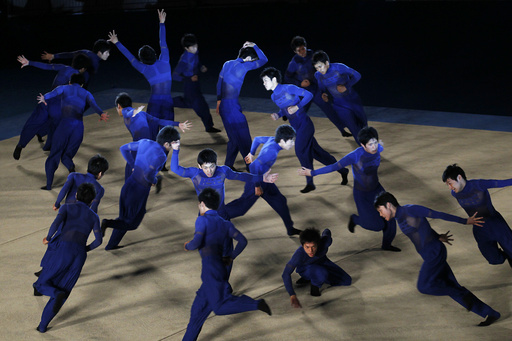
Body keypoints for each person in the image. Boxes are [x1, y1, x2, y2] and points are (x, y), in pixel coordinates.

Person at [374, 191, 501, 326]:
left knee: (423, 287)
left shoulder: (411, 209)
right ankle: (491, 313)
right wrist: (438, 236)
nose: (381, 215)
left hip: (433, 253)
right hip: (431, 252)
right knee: (451, 284)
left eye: (381, 211)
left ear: (388, 205)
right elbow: (422, 228)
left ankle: (465, 296)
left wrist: (465, 221)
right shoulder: (399, 218)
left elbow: (438, 214)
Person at [182, 188, 271, 341]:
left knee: (219, 307)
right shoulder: (225, 223)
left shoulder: (202, 220)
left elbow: (196, 242)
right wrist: (231, 257)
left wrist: (187, 245)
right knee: (198, 309)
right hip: (220, 267)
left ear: (202, 204)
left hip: (211, 269)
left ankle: (254, 304)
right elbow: (243, 241)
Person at [298, 127, 400, 251]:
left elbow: (380, 146)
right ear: (362, 145)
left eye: (375, 143)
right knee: (376, 225)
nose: (374, 147)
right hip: (362, 194)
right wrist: (312, 173)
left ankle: (386, 245)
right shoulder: (355, 155)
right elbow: (334, 166)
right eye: (370, 144)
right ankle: (355, 219)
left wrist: (379, 144)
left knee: (391, 217)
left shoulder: (378, 148)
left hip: (378, 190)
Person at [261, 66, 348, 193]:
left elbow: (309, 94)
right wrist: (278, 115)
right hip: (295, 127)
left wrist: (298, 106)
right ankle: (342, 170)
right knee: (319, 154)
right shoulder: (274, 97)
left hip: (305, 125)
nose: (264, 84)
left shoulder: (288, 88)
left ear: (274, 79)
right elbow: (284, 109)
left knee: (300, 151)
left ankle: (310, 182)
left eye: (265, 81)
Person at [33, 183, 102, 333]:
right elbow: (99, 241)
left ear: (76, 195)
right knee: (65, 289)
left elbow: (56, 223)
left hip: (64, 249)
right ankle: (42, 326)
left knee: (42, 283)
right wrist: (85, 249)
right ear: (92, 201)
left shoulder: (66, 207)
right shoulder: (94, 217)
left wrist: (48, 238)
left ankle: (54, 293)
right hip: (79, 256)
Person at [101, 126, 179, 250]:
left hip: (129, 184)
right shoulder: (161, 156)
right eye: (174, 143)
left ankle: (111, 245)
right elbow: (148, 175)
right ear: (166, 143)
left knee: (125, 219)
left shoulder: (145, 142)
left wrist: (132, 164)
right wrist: (154, 180)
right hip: (139, 192)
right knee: (131, 224)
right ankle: (107, 223)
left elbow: (123, 149)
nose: (175, 146)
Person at [225, 125, 302, 236]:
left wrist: (251, 153)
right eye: (291, 141)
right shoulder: (271, 152)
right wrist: (257, 186)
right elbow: (253, 167)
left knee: (280, 201)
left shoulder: (272, 139)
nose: (293, 144)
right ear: (282, 140)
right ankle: (216, 214)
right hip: (256, 181)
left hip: (265, 180)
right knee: (241, 208)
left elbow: (257, 139)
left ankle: (290, 228)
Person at [38, 73, 109, 190]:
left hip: (64, 126)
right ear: (81, 84)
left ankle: (49, 185)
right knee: (67, 155)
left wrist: (43, 98)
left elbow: (51, 94)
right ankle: (71, 169)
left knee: (54, 155)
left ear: (70, 82)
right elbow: (94, 105)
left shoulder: (64, 88)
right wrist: (101, 114)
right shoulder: (86, 93)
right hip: (78, 128)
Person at [13, 53, 91, 159]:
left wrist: (29, 62)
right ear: (83, 68)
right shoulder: (78, 78)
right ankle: (49, 143)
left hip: (47, 100)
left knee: (34, 122)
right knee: (57, 124)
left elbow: (47, 66)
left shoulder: (64, 67)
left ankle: (20, 145)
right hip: (58, 106)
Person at [170, 146, 277, 219]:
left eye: (212, 166)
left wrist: (261, 178)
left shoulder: (223, 171)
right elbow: (175, 169)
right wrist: (175, 150)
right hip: (204, 215)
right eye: (205, 168)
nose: (209, 171)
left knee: (226, 243)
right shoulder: (194, 173)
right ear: (199, 166)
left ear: (216, 163)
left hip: (221, 213)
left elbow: (241, 176)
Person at [108, 9, 174, 120]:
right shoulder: (165, 60)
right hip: (168, 102)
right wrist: (162, 23)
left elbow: (130, 57)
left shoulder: (143, 68)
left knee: (152, 132)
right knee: (169, 131)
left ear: (142, 60)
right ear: (154, 53)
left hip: (155, 103)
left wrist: (117, 43)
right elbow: (162, 41)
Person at [442, 164, 512, 267]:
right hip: (480, 229)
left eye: (450, 183)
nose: (450, 187)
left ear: (459, 177)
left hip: (496, 224)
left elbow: (501, 183)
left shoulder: (478, 184)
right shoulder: (455, 193)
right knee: (494, 259)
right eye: (447, 185)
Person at [285, 36, 351, 138]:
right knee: (298, 112)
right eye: (299, 50)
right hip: (303, 92)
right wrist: (300, 84)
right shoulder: (293, 63)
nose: (303, 52)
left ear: (306, 46)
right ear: (295, 51)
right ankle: (291, 134)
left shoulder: (313, 55)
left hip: (316, 89)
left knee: (329, 108)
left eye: (303, 48)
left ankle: (342, 129)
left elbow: (324, 67)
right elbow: (287, 78)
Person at [216, 41, 268, 171]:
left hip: (223, 106)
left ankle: (228, 166)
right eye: (252, 59)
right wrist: (254, 45)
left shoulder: (227, 63)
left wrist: (218, 102)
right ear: (249, 59)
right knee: (245, 140)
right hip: (233, 108)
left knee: (234, 139)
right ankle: (251, 169)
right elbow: (264, 59)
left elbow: (219, 83)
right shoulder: (244, 66)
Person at [115, 92, 191, 178]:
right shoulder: (143, 114)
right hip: (149, 145)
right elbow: (159, 121)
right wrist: (177, 124)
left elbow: (127, 112)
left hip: (140, 146)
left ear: (119, 106)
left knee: (130, 170)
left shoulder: (127, 111)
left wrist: (134, 112)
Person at [282, 228, 351, 308]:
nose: (310, 251)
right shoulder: (298, 255)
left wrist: (324, 232)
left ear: (318, 243)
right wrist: (292, 294)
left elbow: (327, 231)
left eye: (313, 247)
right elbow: (286, 274)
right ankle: (314, 286)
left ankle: (314, 278)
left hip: (323, 263)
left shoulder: (325, 242)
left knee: (347, 281)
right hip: (306, 268)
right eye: (307, 247)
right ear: (302, 245)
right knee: (321, 273)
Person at [313, 50, 367, 145]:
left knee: (363, 125)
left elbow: (357, 75)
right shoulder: (318, 75)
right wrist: (323, 94)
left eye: (320, 66)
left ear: (326, 63)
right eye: (316, 68)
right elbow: (321, 88)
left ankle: (370, 147)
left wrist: (346, 86)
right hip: (339, 104)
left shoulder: (339, 67)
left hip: (352, 99)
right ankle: (364, 150)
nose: (319, 70)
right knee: (353, 128)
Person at [172, 33, 220, 133]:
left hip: (195, 84)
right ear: (186, 48)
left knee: (200, 105)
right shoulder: (184, 60)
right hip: (189, 85)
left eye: (196, 45)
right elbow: (174, 76)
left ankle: (209, 126)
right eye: (192, 47)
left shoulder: (195, 53)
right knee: (198, 105)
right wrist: (188, 79)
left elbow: (197, 63)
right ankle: (167, 101)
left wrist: (201, 67)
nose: (195, 48)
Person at [41, 38, 112, 76]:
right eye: (106, 52)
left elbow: (70, 54)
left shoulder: (85, 51)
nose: (108, 54)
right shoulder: (95, 62)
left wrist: (54, 56)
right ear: (99, 52)